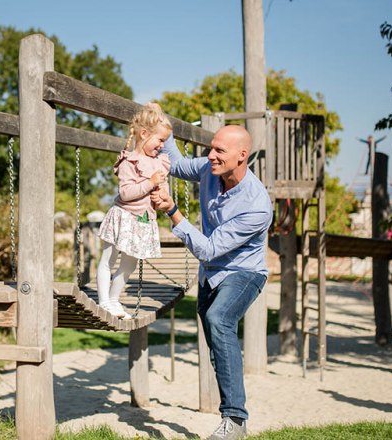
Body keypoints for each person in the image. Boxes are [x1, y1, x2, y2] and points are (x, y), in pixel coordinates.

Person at [151, 125, 273, 440]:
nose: (211, 155)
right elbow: (177, 165)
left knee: (220, 319)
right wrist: (165, 131)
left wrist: (173, 213)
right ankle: (232, 418)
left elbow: (209, 247)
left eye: (220, 150)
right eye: (212, 147)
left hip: (243, 273)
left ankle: (235, 420)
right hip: (210, 272)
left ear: (242, 156)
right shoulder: (209, 170)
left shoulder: (256, 205)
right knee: (217, 343)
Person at [96, 102, 171, 318]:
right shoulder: (129, 161)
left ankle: (113, 299)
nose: (162, 146)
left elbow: (161, 190)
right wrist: (149, 183)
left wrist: (160, 197)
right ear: (144, 134)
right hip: (123, 217)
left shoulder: (160, 163)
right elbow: (126, 193)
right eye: (160, 140)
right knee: (108, 260)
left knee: (128, 265)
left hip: (142, 221)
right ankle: (102, 301)